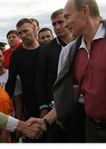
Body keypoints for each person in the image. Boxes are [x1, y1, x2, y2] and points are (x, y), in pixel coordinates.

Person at [30, 0, 106, 144]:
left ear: (85, 11)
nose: (65, 24)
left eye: (67, 17)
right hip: (92, 131)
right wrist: (46, 121)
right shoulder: (72, 52)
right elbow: (71, 97)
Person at [35, 8, 86, 143]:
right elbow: (41, 79)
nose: (57, 27)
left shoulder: (85, 44)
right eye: (54, 24)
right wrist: (44, 107)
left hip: (83, 106)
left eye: (60, 22)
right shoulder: (46, 50)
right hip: (55, 105)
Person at [6, 18, 45, 143]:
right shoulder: (17, 55)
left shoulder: (46, 49)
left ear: (34, 29)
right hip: (30, 103)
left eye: (25, 31)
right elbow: (11, 82)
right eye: (20, 33)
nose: (22, 36)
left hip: (50, 101)